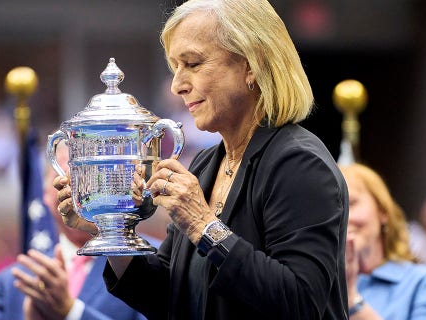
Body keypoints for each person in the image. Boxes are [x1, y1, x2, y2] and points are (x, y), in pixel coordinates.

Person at [55, 0, 349, 319]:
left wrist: (203, 225)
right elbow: (168, 296)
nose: (177, 85)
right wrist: (108, 228)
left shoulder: (298, 163)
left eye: (192, 64)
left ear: (252, 65)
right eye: (175, 67)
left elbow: (302, 303)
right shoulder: (206, 164)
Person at [0, 144, 145, 320]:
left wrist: (70, 312)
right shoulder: (11, 285)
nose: (79, 191)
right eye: (64, 177)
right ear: (45, 194)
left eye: (92, 176)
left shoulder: (154, 261)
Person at [340, 163, 426, 319]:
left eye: (351, 203)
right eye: (334, 208)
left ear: (383, 211)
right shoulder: (318, 286)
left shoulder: (425, 283)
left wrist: (352, 299)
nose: (342, 217)